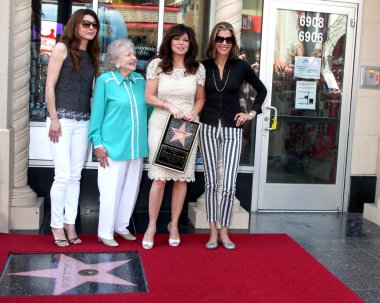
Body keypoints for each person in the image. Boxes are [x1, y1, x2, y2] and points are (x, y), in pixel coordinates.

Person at [199, 22, 267, 250]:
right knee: (211, 183)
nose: (224, 43)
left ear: (233, 43)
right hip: (207, 127)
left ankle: (225, 231)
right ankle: (211, 232)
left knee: (228, 184)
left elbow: (262, 89)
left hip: (232, 129)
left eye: (228, 39)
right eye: (220, 39)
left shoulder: (241, 66)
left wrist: (252, 113)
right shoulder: (203, 66)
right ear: (213, 41)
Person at [142, 24, 205, 249]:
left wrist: (193, 112)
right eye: (177, 39)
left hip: (186, 126)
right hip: (161, 124)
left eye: (185, 40)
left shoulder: (197, 69)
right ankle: (151, 226)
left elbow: (200, 98)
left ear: (191, 44)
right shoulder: (157, 66)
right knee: (159, 179)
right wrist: (168, 105)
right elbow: (149, 96)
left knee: (180, 179)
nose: (181, 43)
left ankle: (174, 224)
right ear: (169, 41)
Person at [45, 9, 100, 247]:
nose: (90, 28)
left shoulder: (93, 55)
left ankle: (70, 224)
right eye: (86, 23)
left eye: (94, 25)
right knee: (63, 175)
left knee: (76, 176)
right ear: (76, 24)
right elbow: (49, 85)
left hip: (83, 121)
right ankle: (56, 225)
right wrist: (54, 118)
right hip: (62, 120)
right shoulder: (61, 48)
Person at [88, 39, 149, 247]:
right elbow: (96, 115)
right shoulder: (106, 81)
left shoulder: (140, 81)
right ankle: (105, 231)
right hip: (111, 147)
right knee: (110, 191)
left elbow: (148, 112)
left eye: (134, 54)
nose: (133, 58)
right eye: (128, 54)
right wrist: (97, 143)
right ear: (115, 60)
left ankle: (121, 226)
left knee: (131, 188)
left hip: (137, 146)